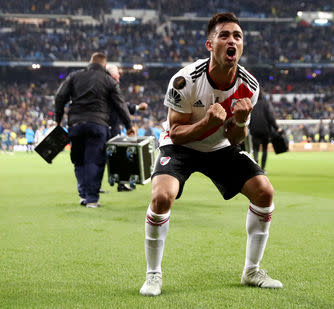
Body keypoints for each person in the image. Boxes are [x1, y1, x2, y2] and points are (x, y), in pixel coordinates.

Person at [140, 12, 282, 297]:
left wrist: (241, 122)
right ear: (210, 44)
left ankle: (251, 270)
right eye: (224, 35)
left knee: (264, 192)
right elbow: (176, 131)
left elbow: (236, 138)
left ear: (242, 46)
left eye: (237, 36)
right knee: (161, 196)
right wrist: (207, 124)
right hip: (180, 147)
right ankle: (153, 275)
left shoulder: (250, 86)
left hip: (220, 147)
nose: (232, 40)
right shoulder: (185, 80)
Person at [54, 52, 135, 208]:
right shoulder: (108, 80)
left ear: (90, 62)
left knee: (79, 160)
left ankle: (83, 194)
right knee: (94, 161)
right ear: (104, 65)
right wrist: (129, 126)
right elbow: (120, 104)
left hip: (75, 125)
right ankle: (91, 199)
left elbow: (60, 96)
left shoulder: (74, 76)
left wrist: (58, 120)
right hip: (98, 125)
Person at [106, 63, 148, 192]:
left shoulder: (100, 87)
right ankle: (121, 184)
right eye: (117, 74)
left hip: (103, 126)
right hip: (111, 127)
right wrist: (136, 109)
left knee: (99, 159)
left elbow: (121, 104)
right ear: (113, 76)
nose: (119, 77)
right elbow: (121, 105)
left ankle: (94, 189)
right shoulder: (110, 87)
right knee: (118, 157)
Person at [249, 95, 280, 172]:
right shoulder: (266, 103)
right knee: (264, 150)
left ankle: (255, 168)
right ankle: (262, 169)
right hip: (265, 130)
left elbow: (248, 116)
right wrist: (277, 128)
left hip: (254, 129)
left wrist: (249, 127)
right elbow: (270, 117)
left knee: (255, 149)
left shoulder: (252, 102)